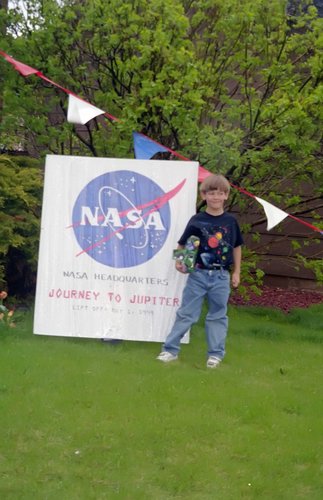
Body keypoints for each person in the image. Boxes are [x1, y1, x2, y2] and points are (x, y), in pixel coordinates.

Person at [157, 174, 243, 368]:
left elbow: (237, 247)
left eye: (220, 193)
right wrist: (181, 263)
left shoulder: (231, 221)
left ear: (226, 196)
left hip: (221, 276)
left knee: (218, 315)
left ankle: (215, 355)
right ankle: (170, 350)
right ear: (204, 195)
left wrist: (236, 272)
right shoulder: (197, 220)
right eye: (211, 193)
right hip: (198, 274)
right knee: (187, 314)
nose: (215, 197)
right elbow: (183, 244)